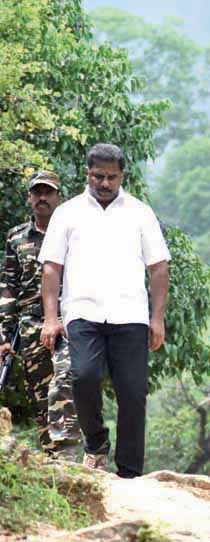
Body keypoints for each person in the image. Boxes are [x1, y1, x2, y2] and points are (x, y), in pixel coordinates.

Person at [39, 143, 171, 478]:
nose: (105, 183)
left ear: (122, 175)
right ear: (88, 173)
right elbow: (52, 268)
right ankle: (95, 443)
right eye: (98, 176)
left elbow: (158, 268)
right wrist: (51, 318)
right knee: (83, 376)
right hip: (82, 312)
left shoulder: (140, 212)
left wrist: (157, 319)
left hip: (130, 315)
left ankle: (130, 472)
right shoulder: (67, 213)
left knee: (133, 393)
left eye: (112, 177)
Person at [0, 171, 81, 458]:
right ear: (30, 197)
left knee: (66, 378)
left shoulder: (74, 234)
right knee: (40, 393)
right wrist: (5, 335)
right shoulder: (17, 237)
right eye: (37, 193)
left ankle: (69, 454)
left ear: (59, 197)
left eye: (48, 193)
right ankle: (52, 460)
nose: (42, 198)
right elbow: (8, 287)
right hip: (31, 323)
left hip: (69, 317)